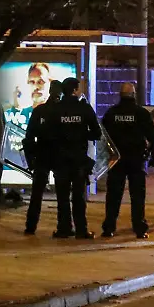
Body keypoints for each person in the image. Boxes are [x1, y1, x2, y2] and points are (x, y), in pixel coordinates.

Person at [100, 83, 154, 239]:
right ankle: (139, 228)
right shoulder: (141, 113)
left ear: (120, 95)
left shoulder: (111, 113)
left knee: (113, 195)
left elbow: (103, 136)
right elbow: (152, 135)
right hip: (136, 159)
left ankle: (109, 227)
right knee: (137, 195)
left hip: (117, 160)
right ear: (134, 95)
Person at [50, 78, 102, 239]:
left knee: (62, 197)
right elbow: (97, 133)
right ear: (74, 90)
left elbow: (49, 133)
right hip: (79, 160)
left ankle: (63, 228)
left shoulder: (56, 109)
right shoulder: (84, 108)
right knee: (79, 197)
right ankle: (81, 229)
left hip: (60, 159)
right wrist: (82, 134)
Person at [22, 80, 63, 235]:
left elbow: (29, 137)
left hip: (42, 155)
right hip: (59, 156)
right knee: (62, 195)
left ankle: (30, 226)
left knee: (36, 194)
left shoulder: (39, 111)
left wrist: (31, 160)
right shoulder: (64, 111)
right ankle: (63, 227)